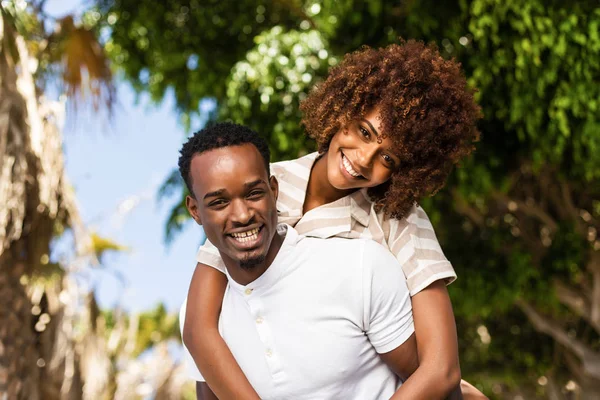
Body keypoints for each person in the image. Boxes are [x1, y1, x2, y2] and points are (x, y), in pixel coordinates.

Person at [184, 39, 484, 399]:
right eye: (364, 132)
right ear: (343, 109)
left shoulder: (400, 221)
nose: (363, 159)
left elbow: (440, 369)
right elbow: (198, 328)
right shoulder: (257, 191)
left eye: (388, 158)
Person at [179, 123, 420, 399]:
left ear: (274, 190)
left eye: (254, 194)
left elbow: (437, 383)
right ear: (195, 211)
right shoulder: (200, 313)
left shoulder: (361, 267)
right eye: (219, 203)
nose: (242, 215)